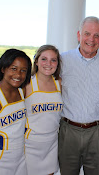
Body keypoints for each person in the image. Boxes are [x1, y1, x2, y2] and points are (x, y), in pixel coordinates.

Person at [58, 16, 99, 175]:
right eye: (87, 34)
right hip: (68, 131)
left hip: (97, 132)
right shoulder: (63, 60)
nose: (92, 39)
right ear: (78, 35)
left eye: (97, 35)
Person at [0, 49, 32, 175]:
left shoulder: (22, 91)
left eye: (23, 70)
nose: (18, 74)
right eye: (13, 68)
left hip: (20, 158)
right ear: (3, 68)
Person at [24, 45, 63, 175]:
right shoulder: (27, 84)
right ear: (36, 61)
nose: (48, 64)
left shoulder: (59, 84)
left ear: (57, 63)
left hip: (52, 143)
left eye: (53, 60)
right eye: (44, 59)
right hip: (30, 145)